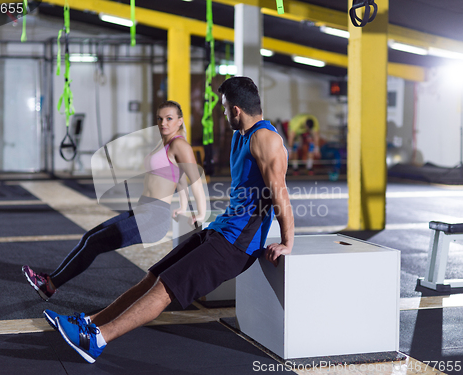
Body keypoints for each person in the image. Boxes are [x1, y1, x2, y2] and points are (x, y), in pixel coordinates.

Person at [45, 76, 295, 364]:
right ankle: (90, 323)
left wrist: (287, 242)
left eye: (225, 109)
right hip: (220, 230)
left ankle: (97, 339)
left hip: (236, 245)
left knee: (166, 289)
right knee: (153, 277)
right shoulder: (243, 135)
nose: (223, 114)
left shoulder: (266, 139)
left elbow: (280, 193)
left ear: (237, 110)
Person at [22, 100, 207, 301]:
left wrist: (201, 212)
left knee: (95, 243)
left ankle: (50, 285)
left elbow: (195, 178)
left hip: (153, 218)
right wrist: (181, 205)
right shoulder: (163, 143)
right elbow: (178, 176)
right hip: (143, 211)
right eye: (160, 119)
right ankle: (49, 281)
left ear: (180, 121)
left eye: (169, 119)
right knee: (89, 236)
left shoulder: (179, 144)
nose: (163, 123)